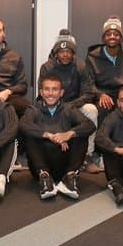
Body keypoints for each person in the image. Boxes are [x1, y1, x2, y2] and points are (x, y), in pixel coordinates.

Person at [19, 74, 96, 199]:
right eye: (47, 89)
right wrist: (48, 135)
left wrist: (68, 134)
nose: (50, 93)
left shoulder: (69, 108)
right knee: (30, 135)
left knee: (81, 134)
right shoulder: (33, 109)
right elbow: (23, 124)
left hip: (64, 164)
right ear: (41, 92)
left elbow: (90, 125)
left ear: (61, 93)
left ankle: (70, 178)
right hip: (40, 166)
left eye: (54, 90)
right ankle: (45, 179)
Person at [85, 15, 123, 173]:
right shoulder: (92, 56)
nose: (112, 36)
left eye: (116, 34)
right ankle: (102, 153)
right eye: (108, 34)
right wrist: (100, 94)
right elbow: (89, 83)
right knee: (101, 110)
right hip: (102, 94)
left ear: (121, 37)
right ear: (104, 37)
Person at [38, 28, 98, 171]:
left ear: (73, 53)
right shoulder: (47, 67)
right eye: (61, 51)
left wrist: (70, 106)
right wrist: (59, 106)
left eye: (68, 52)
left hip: (75, 105)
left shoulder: (81, 66)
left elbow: (88, 93)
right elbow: (43, 93)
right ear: (56, 53)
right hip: (52, 105)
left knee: (91, 109)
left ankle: (87, 156)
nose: (65, 54)